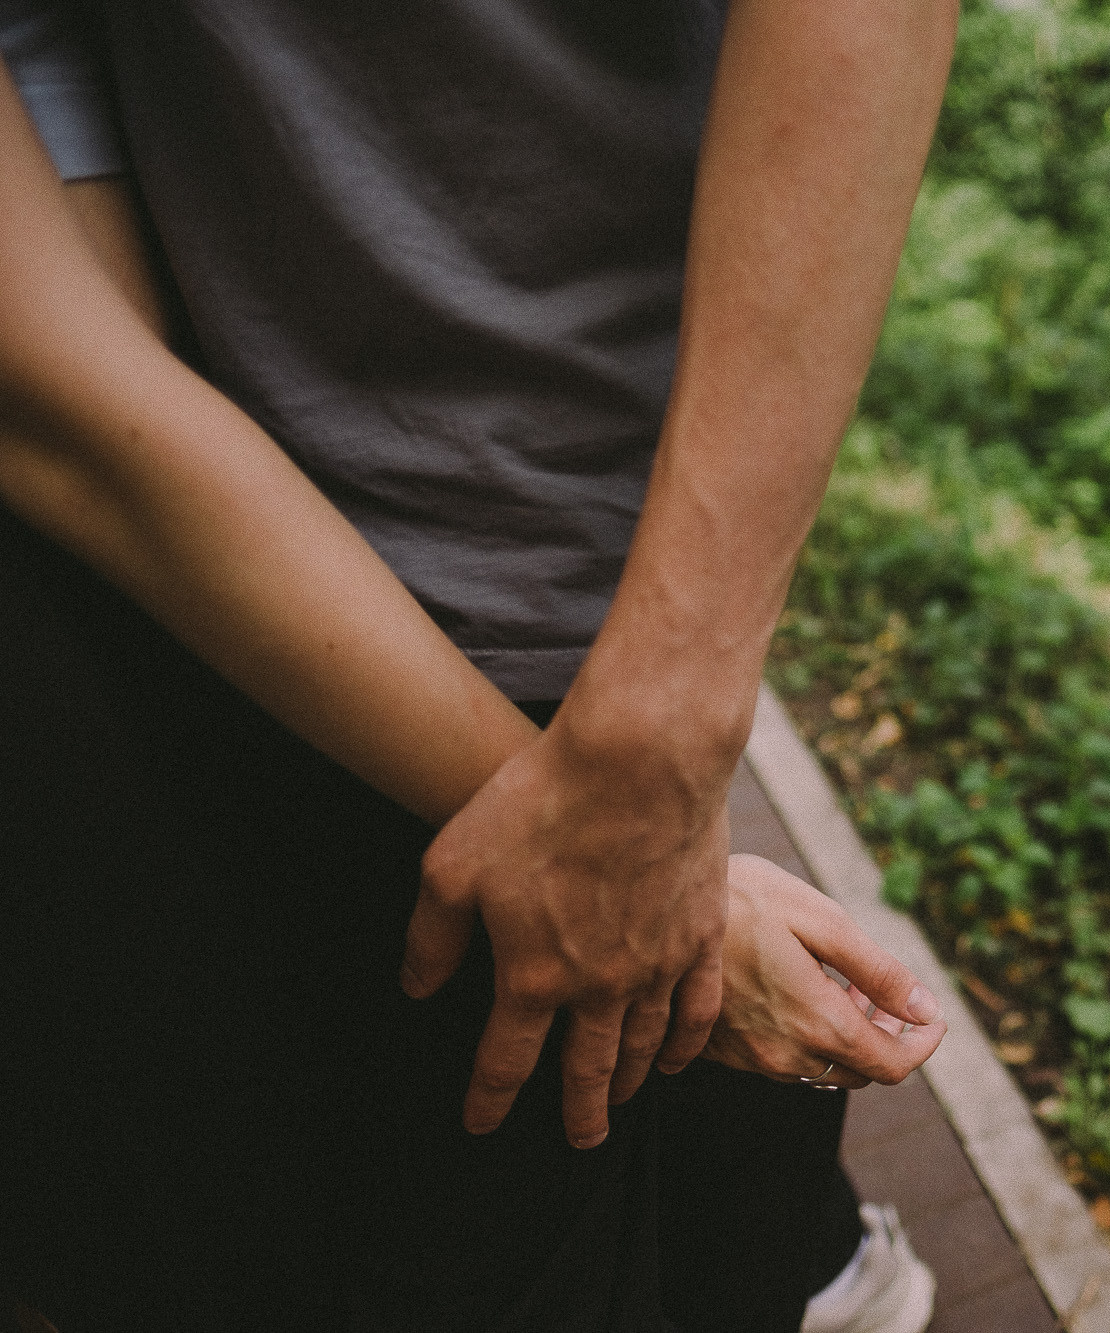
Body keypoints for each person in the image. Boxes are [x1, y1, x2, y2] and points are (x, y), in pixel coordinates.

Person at [0, 0, 958, 1329]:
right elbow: (56, 381)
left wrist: (652, 744)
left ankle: (795, 1244)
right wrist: (626, 816)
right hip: (231, 574)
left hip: (527, 549)